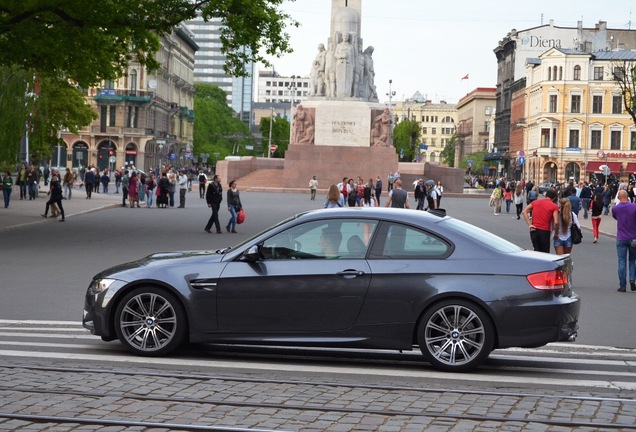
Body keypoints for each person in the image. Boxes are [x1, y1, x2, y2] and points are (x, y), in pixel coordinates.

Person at [611, 189, 636, 292]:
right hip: (633, 237)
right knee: (632, 260)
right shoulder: (634, 207)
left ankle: (622, 285)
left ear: (619, 197)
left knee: (621, 261)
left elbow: (616, 218)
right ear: (628, 197)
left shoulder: (615, 209)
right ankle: (632, 279)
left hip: (621, 237)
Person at [522, 189, 559, 253]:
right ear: (555, 198)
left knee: (536, 250)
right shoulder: (554, 206)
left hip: (534, 229)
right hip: (545, 231)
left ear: (546, 195)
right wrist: (556, 233)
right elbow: (556, 222)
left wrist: (529, 224)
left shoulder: (535, 202)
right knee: (545, 252)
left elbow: (524, 211)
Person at [335, 32, 354, 98]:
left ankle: (348, 94)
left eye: (347, 36)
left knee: (349, 80)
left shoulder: (351, 46)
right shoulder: (339, 45)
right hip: (340, 65)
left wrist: (352, 65)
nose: (345, 37)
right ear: (342, 37)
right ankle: (338, 93)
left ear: (348, 37)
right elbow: (335, 54)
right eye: (344, 36)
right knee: (339, 79)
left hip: (348, 66)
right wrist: (341, 56)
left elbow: (352, 57)